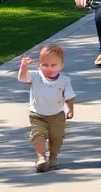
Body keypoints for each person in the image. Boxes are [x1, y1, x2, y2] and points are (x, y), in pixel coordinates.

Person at [18, 45, 76, 173]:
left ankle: (53, 157)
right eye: (45, 65)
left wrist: (70, 109)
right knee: (38, 135)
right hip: (37, 114)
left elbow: (69, 96)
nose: (49, 68)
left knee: (57, 139)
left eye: (54, 65)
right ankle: (41, 158)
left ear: (62, 66)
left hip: (57, 115)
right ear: (39, 65)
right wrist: (23, 67)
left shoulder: (64, 80)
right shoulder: (35, 76)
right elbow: (23, 78)